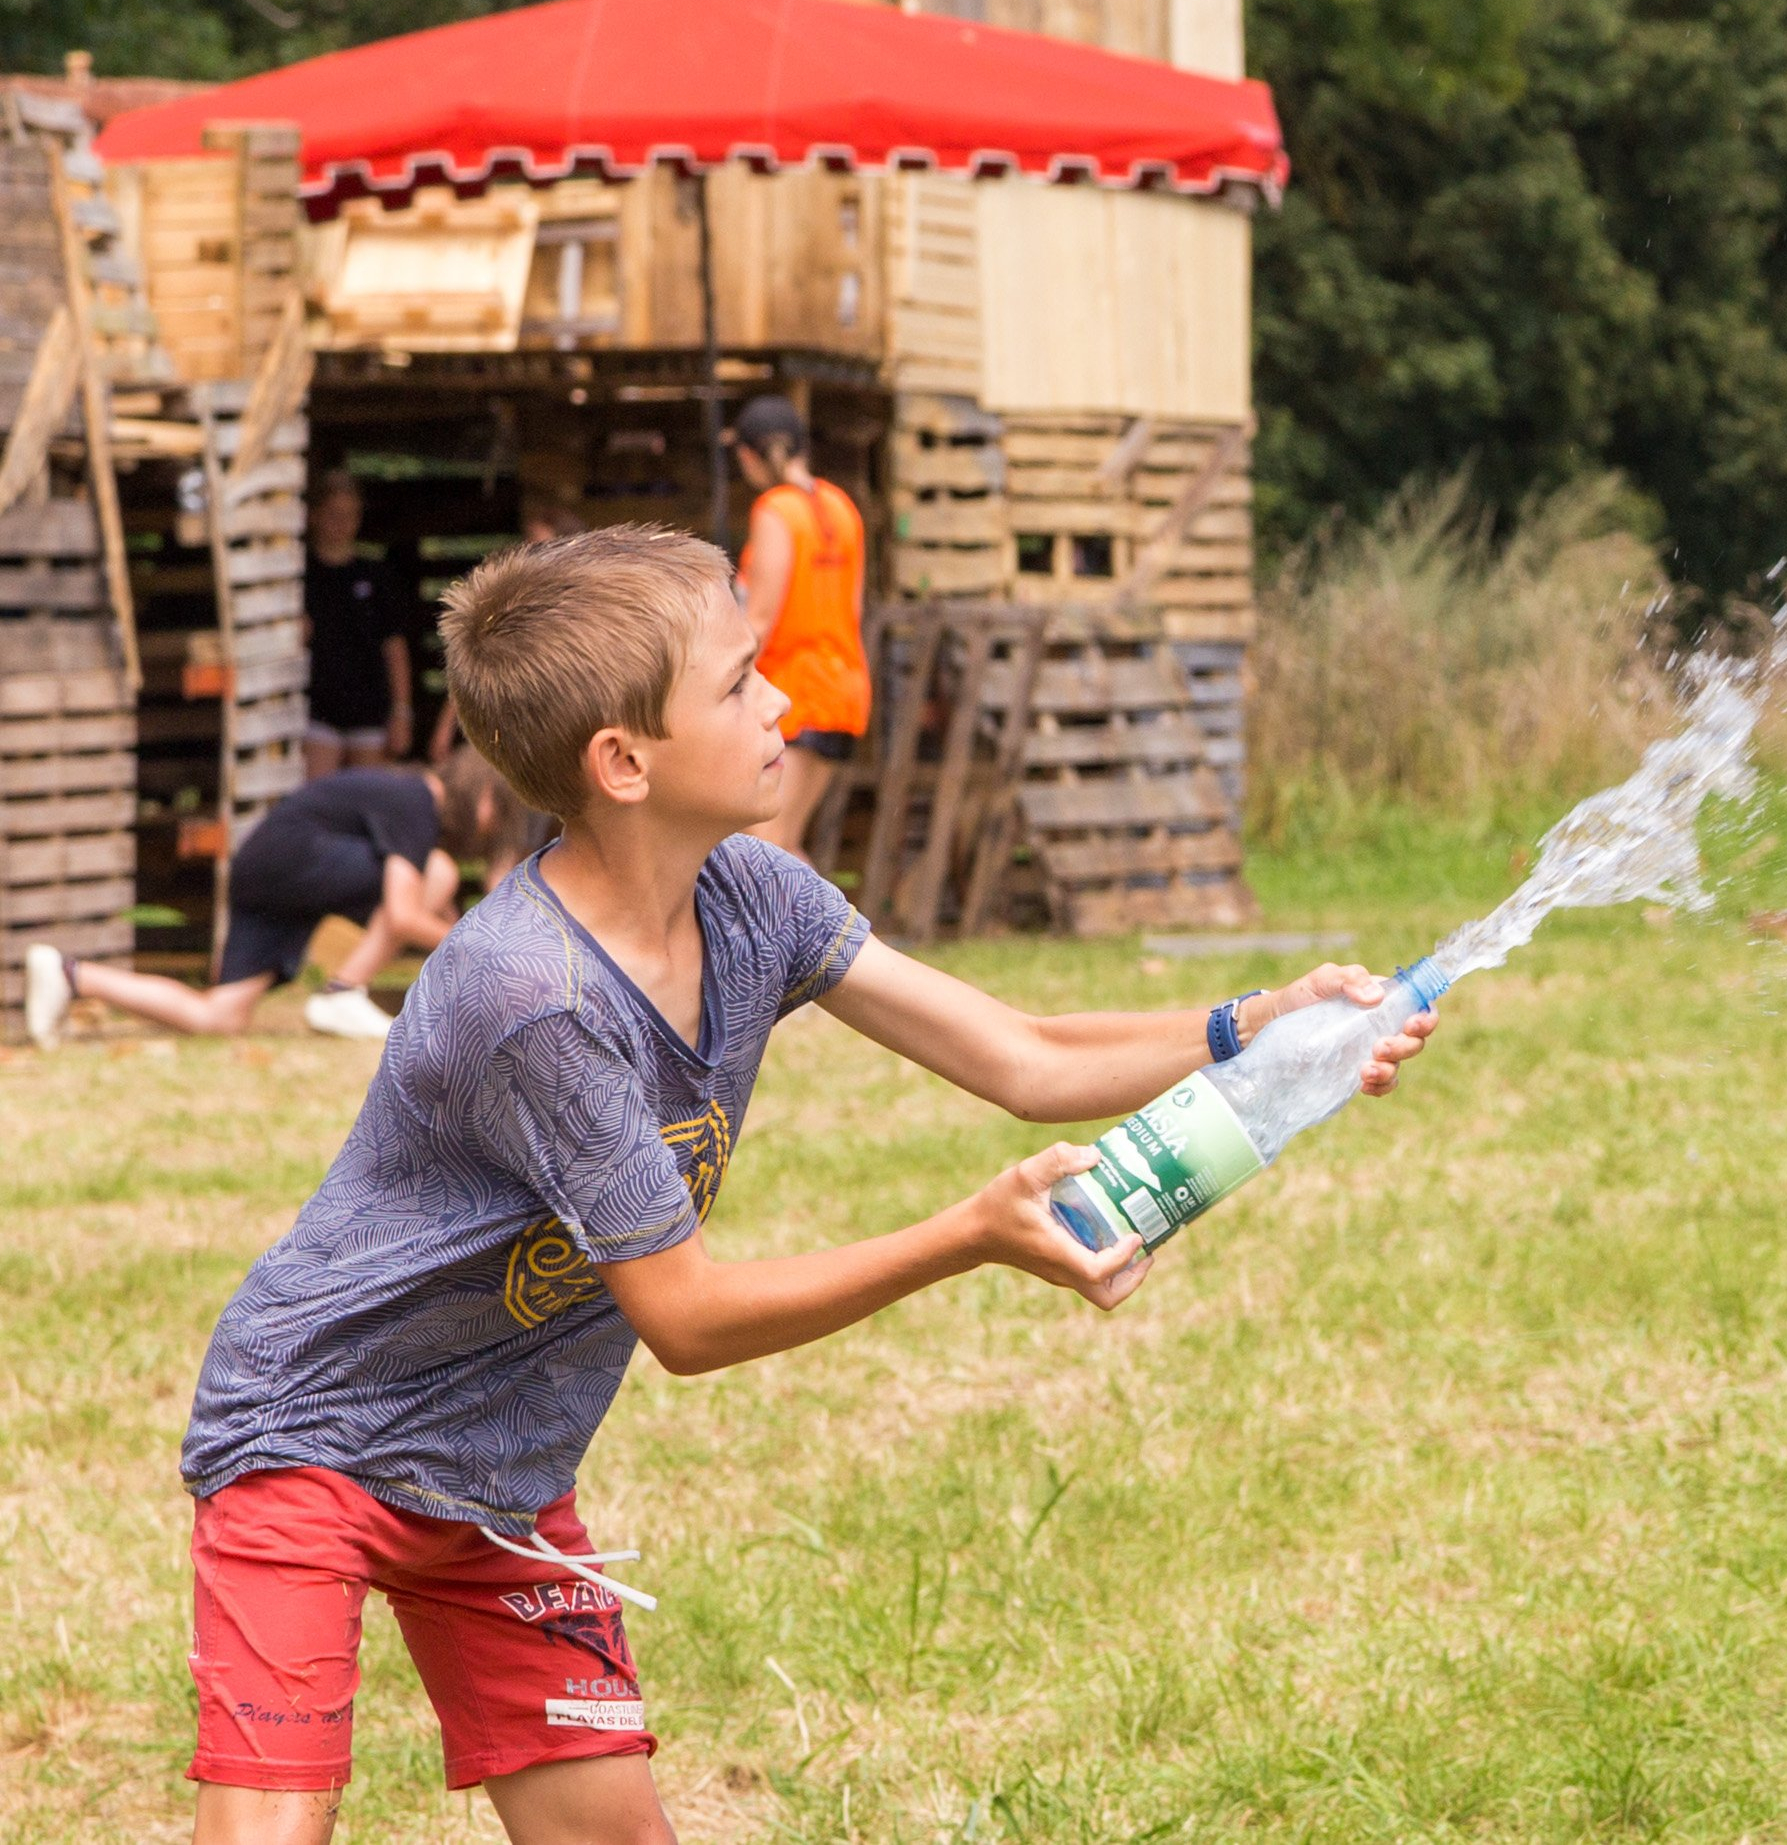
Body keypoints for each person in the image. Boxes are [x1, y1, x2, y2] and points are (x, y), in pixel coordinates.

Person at [170, 525, 1437, 1845]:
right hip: (311, 1441)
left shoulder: (750, 895)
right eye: (737, 683)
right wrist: (968, 1232)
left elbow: (1025, 1055)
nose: (781, 701)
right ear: (624, 762)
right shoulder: (537, 1000)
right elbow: (687, 1318)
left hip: (498, 1475)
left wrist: (1261, 1025)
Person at [24, 749, 529, 1046]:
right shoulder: (415, 799)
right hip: (287, 862)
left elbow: (429, 914)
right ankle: (341, 993)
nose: (490, 830)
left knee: (220, 1017)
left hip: (264, 875)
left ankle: (70, 975)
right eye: (499, 815)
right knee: (435, 873)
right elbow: (403, 914)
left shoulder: (407, 806)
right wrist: (481, 943)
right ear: (483, 794)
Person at [729, 395, 868, 865]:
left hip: (795, 691)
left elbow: (760, 619)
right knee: (781, 842)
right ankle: (825, 916)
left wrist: (724, 684)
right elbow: (854, 607)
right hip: (842, 690)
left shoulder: (776, 511)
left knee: (766, 845)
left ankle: (829, 918)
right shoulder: (841, 506)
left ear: (748, 456)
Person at [432, 504, 571, 765]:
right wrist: (445, 728)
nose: (529, 554)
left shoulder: (579, 609)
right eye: (528, 545)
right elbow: (474, 661)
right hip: (505, 727)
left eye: (540, 547)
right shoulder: (509, 601)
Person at [303, 469, 417, 778]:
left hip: (370, 712)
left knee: (369, 798)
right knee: (320, 798)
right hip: (317, 711)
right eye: (333, 514)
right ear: (314, 515)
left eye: (350, 515)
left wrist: (402, 712)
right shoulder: (299, 575)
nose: (342, 524)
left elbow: (394, 647)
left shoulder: (375, 576)